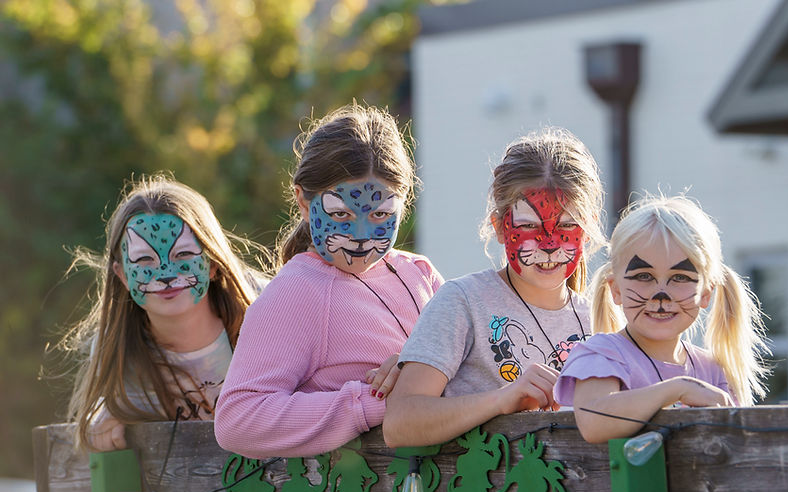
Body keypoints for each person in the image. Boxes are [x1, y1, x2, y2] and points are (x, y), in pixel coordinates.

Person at [214, 103, 443, 458]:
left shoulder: (420, 273)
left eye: (381, 214)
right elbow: (238, 420)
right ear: (304, 202)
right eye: (340, 214)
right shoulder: (297, 292)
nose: (362, 235)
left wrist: (418, 370)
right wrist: (376, 402)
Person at [384, 127, 606, 447]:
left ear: (587, 228)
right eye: (528, 226)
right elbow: (400, 423)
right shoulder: (464, 302)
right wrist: (501, 401)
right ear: (499, 228)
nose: (548, 244)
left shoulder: (601, 321)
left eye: (567, 225)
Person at [63, 174, 265, 452]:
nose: (167, 274)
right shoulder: (120, 356)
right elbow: (100, 421)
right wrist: (104, 416)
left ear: (212, 263)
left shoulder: (265, 323)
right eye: (145, 259)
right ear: (121, 275)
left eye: (182, 255)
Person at [554, 193, 769, 443]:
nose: (660, 295)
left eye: (680, 277)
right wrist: (677, 389)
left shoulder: (714, 370)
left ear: (705, 294)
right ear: (616, 289)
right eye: (643, 276)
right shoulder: (601, 355)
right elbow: (595, 423)